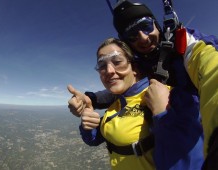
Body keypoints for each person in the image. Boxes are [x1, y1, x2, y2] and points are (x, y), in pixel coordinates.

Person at [69, 1, 218, 169]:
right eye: (131, 35)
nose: (143, 37)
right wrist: (90, 102)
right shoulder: (122, 97)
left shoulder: (188, 45)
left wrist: (163, 113)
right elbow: (124, 91)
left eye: (146, 26)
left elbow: (211, 68)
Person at [68, 38, 204, 170]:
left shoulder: (166, 96)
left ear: (134, 68)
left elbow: (191, 159)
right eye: (102, 65)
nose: (109, 70)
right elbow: (97, 139)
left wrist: (163, 113)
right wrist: (88, 123)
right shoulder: (115, 104)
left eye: (117, 61)